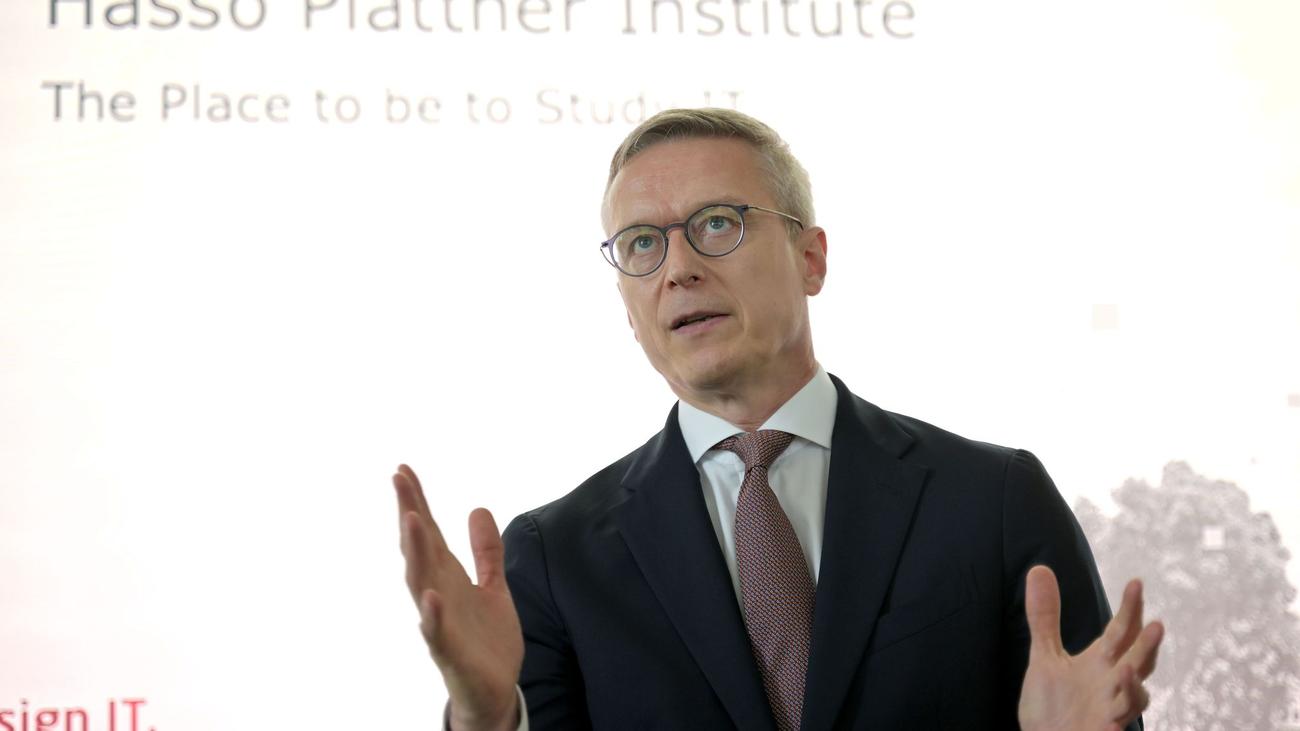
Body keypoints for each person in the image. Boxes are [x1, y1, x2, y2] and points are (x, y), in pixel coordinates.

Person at [391, 108, 1164, 730]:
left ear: (811, 258)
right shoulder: (555, 558)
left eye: (718, 223)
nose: (679, 268)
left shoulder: (993, 499)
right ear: (627, 305)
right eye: (642, 244)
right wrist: (486, 717)